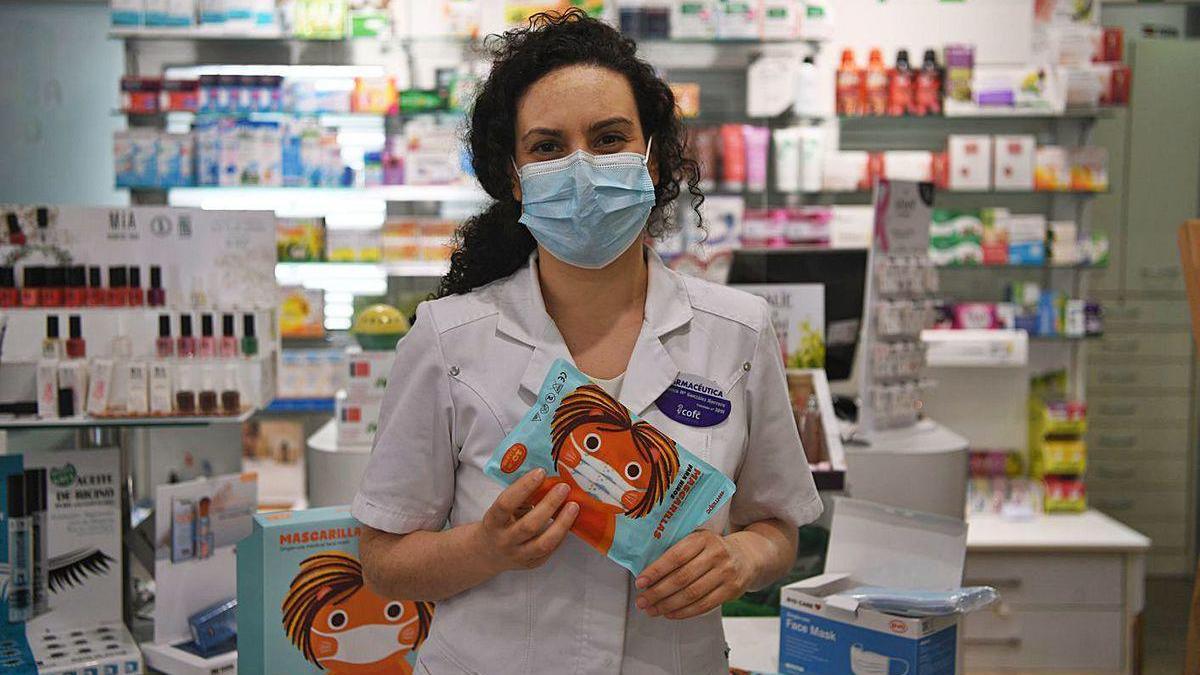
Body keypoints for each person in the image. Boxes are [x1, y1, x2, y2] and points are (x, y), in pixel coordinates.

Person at [352, 10, 822, 675]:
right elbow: (382, 562)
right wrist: (487, 546)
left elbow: (776, 524)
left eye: (609, 139)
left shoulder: (737, 331)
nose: (582, 168)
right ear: (513, 178)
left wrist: (742, 558)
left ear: (653, 154)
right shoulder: (449, 340)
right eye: (547, 147)